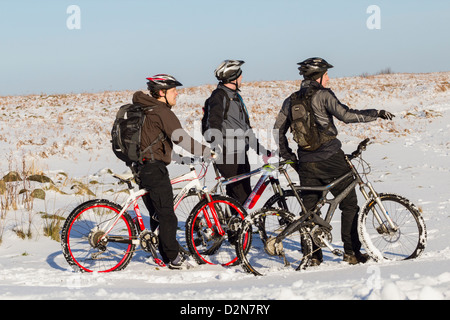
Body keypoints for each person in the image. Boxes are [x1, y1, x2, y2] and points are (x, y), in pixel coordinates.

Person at [274, 57, 395, 266]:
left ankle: (312, 255)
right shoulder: (323, 95)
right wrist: (376, 113)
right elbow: (346, 116)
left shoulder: (290, 100)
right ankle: (351, 253)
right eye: (326, 74)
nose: (328, 77)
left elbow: (278, 130)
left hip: (306, 162)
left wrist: (289, 157)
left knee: (309, 211)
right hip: (331, 158)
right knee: (349, 205)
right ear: (318, 76)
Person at [132, 74, 214, 269]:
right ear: (162, 92)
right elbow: (181, 139)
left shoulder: (145, 107)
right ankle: (173, 258)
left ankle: (160, 251)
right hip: (153, 167)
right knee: (167, 214)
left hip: (141, 166)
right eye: (173, 90)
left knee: (157, 214)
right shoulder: (161, 111)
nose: (177, 93)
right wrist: (206, 152)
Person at [203, 60, 271, 205]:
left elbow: (246, 128)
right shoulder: (219, 96)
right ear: (233, 78)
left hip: (240, 153)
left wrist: (261, 150)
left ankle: (233, 226)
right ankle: (238, 226)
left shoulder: (236, 97)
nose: (241, 79)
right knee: (241, 196)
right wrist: (218, 146)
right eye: (239, 76)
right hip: (228, 155)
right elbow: (213, 123)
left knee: (241, 197)